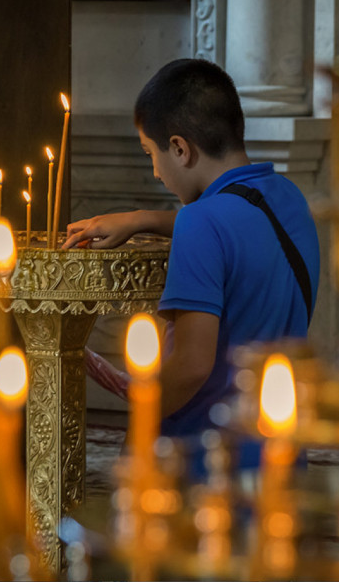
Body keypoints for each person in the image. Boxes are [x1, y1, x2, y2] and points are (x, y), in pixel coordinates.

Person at [64, 58, 320, 442]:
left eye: (151, 153)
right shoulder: (288, 198)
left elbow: (191, 366)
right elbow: (235, 232)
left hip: (203, 459)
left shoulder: (200, 223)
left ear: (180, 149)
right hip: (277, 449)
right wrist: (141, 218)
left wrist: (139, 435)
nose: (155, 171)